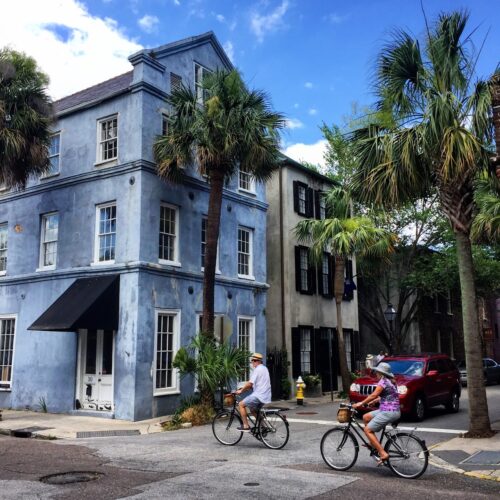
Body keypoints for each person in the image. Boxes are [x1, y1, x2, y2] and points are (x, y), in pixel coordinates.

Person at [352, 362, 401, 464]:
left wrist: (360, 403)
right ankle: (373, 443)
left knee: (367, 430)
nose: (376, 374)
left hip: (389, 412)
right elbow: (389, 395)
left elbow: (373, 394)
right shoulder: (391, 381)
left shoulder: (383, 382)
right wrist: (375, 401)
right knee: (366, 417)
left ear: (381, 373)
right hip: (391, 410)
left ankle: (383, 453)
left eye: (377, 372)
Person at [235, 352, 271, 431]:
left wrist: (241, 391)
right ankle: (264, 427)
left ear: (256, 361)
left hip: (259, 396)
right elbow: (256, 384)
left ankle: (246, 426)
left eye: (252, 361)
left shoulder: (257, 370)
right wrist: (244, 388)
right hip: (266, 396)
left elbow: (250, 384)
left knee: (241, 405)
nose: (252, 363)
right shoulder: (265, 369)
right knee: (253, 409)